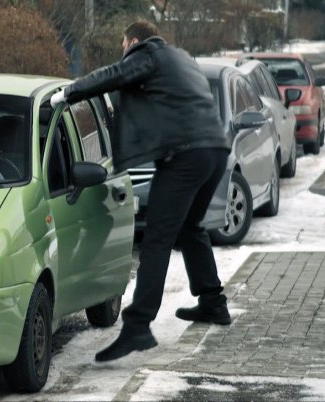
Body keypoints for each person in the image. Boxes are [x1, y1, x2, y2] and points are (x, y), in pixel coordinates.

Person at [51, 21, 232, 362]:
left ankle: (137, 326)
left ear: (133, 40)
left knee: (157, 240)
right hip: (214, 152)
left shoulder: (150, 53)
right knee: (191, 228)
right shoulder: (181, 59)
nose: (124, 51)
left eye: (124, 45)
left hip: (186, 156)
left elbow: (114, 75)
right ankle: (213, 302)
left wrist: (69, 93)